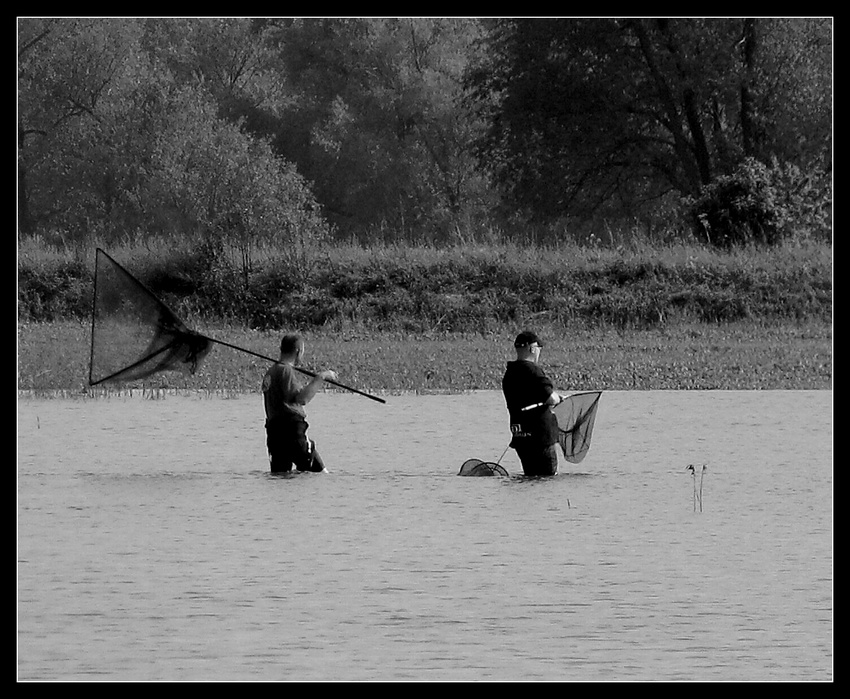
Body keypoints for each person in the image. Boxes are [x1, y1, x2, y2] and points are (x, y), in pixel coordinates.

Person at [262, 333, 337, 473]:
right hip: (292, 431)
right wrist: (321, 377)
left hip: (274, 434)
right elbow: (302, 399)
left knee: (280, 476)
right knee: (319, 474)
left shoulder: (270, 372)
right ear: (298, 351)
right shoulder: (286, 371)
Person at [501, 331, 564, 477]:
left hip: (521, 436)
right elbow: (551, 399)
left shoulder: (510, 373)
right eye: (539, 348)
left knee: (530, 477)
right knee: (547, 478)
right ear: (532, 348)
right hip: (540, 437)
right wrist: (559, 398)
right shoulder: (533, 370)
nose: (539, 352)